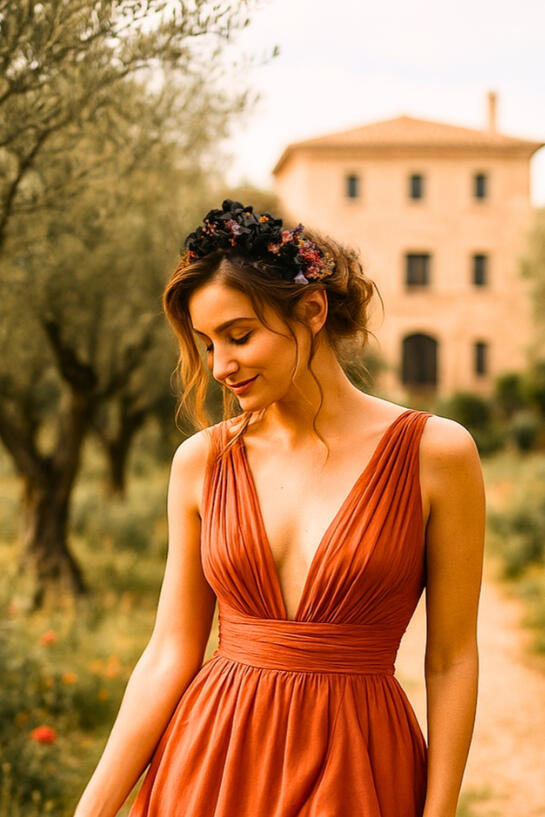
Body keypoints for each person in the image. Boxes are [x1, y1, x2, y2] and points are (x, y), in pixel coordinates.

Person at [73, 199, 485, 817]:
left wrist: (440, 810)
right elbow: (169, 651)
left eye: (239, 336)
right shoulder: (202, 461)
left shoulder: (437, 452)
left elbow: (452, 659)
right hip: (211, 760)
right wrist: (93, 808)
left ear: (313, 310)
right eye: (207, 343)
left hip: (360, 766)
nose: (221, 367)